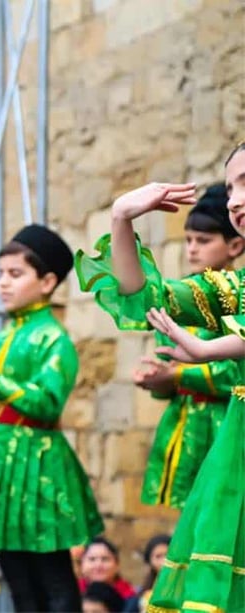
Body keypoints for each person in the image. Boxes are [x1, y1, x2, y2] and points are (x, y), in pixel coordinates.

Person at [74, 141, 245, 611]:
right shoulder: (232, 289)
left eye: (244, 183)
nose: (234, 198)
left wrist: (210, 351)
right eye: (230, 187)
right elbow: (147, 296)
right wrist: (121, 218)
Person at [0, 224, 103, 612]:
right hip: (1, 468)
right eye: (0, 274)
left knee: (53, 581)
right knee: (19, 585)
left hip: (39, 468)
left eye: (15, 274)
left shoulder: (53, 339)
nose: (3, 284)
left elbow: (46, 403)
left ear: (47, 282)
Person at [130, 184, 242, 508]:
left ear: (235, 244)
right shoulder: (179, 304)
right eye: (189, 239)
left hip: (224, 422)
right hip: (184, 425)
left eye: (204, 241)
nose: (192, 249)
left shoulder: (237, 297)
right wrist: (158, 379)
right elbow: (169, 378)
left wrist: (178, 375)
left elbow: (231, 371)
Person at [122, 534, 170, 612]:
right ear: (149, 561)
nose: (164, 561)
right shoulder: (140, 597)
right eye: (158, 556)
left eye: (168, 555)